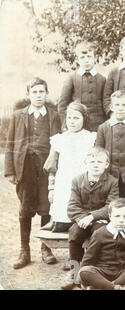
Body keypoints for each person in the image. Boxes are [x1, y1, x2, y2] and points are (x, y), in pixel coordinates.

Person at [4, 77, 61, 269]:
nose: (38, 96)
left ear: (47, 93)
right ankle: (24, 250)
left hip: (46, 166)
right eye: (34, 92)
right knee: (25, 208)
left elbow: (58, 143)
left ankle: (46, 248)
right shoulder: (18, 115)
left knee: (46, 206)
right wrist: (10, 171)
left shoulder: (54, 116)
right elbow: (11, 143)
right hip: (25, 166)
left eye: (41, 92)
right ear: (28, 94)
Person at [62, 146, 119, 290]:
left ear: (106, 165)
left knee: (99, 235)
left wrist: (93, 216)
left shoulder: (112, 181)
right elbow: (72, 206)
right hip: (82, 220)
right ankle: (74, 273)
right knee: (74, 234)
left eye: (100, 162)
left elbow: (110, 206)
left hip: (100, 221)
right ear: (86, 163)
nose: (95, 165)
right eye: (92, 162)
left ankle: (90, 273)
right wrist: (84, 218)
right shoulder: (77, 180)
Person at [43, 102, 97, 233]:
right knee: (62, 218)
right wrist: (51, 188)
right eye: (69, 118)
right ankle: (57, 221)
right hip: (64, 180)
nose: (72, 122)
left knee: (82, 219)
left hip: (83, 180)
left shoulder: (91, 137)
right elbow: (52, 166)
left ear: (84, 119)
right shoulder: (59, 139)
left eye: (76, 118)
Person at [78, 198, 125, 290]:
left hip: (124, 272)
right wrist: (83, 276)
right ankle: (114, 287)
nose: (121, 220)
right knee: (84, 271)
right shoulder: (99, 233)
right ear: (110, 216)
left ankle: (109, 286)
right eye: (117, 216)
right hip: (103, 272)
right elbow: (89, 258)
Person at [95, 90, 125, 197]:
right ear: (111, 107)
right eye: (117, 105)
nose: (120, 108)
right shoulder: (103, 128)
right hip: (109, 175)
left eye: (124, 105)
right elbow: (98, 152)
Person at [57, 42, 106, 131]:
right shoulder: (71, 78)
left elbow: (105, 103)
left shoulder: (102, 79)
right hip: (78, 126)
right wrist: (65, 124)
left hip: (98, 125)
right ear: (78, 60)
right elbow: (62, 105)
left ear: (95, 58)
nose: (86, 60)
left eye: (89, 57)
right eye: (82, 57)